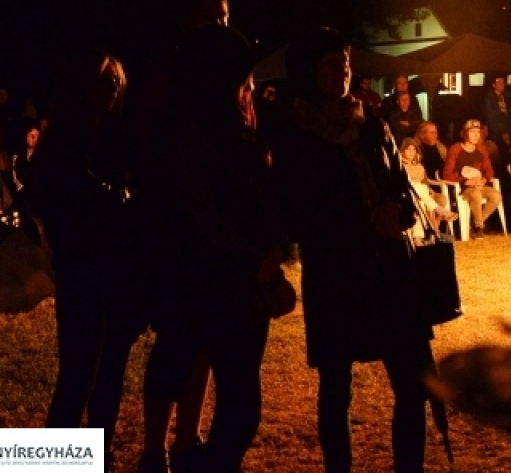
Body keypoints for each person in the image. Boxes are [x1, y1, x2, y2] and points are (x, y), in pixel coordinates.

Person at [273, 27, 437, 473]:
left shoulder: (372, 125)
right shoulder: (295, 135)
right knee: (336, 387)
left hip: (389, 268)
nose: (342, 71)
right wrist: (351, 222)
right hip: (335, 273)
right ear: (308, 70)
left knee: (411, 382)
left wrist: (397, 209)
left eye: (345, 62)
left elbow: (402, 189)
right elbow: (292, 211)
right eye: (330, 63)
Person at [142, 26, 288, 473]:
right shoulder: (190, 133)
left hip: (243, 275)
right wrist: (253, 254)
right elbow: (201, 214)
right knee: (234, 399)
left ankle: (201, 457)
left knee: (241, 402)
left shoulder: (235, 127)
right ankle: (175, 453)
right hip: (216, 277)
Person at [38, 50, 144, 469]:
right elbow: (77, 197)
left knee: (110, 371)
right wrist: (116, 194)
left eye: (117, 80)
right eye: (105, 79)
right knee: (79, 373)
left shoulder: (114, 135)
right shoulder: (65, 138)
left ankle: (99, 454)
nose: (114, 87)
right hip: (84, 271)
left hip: (117, 269)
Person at [441, 119, 502, 238]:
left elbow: (489, 170)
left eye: (478, 132)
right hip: (462, 188)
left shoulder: (481, 149)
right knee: (476, 194)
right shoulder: (455, 149)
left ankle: (477, 224)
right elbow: (447, 174)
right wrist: (466, 181)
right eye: (472, 132)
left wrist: (483, 180)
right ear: (464, 133)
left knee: (496, 196)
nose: (476, 135)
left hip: (479, 185)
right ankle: (479, 227)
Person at [482, 76, 511, 150]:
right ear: (493, 85)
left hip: (508, 132)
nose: (501, 84)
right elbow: (491, 118)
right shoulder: (489, 99)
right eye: (499, 82)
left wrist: (508, 131)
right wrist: (502, 133)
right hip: (495, 134)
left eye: (503, 82)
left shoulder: (507, 97)